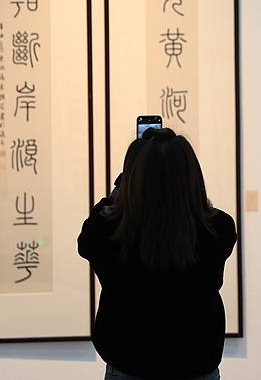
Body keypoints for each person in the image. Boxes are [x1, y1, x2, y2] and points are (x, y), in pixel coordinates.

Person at [78, 128, 237, 380]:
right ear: (192, 176)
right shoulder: (220, 230)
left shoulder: (106, 233)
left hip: (127, 366)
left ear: (132, 177)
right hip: (197, 366)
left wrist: (120, 188)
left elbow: (87, 238)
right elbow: (202, 212)